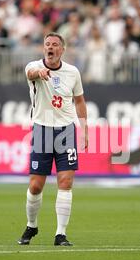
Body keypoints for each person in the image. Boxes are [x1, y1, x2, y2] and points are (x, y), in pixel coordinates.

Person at [18, 32, 88, 246]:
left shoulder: (72, 72)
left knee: (65, 182)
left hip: (66, 131)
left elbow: (79, 101)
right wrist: (40, 72)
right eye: (47, 44)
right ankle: (32, 225)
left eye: (55, 44)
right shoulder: (34, 66)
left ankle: (60, 234)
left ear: (62, 50)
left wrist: (84, 129)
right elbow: (30, 73)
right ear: (44, 48)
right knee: (36, 185)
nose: (50, 47)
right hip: (41, 130)